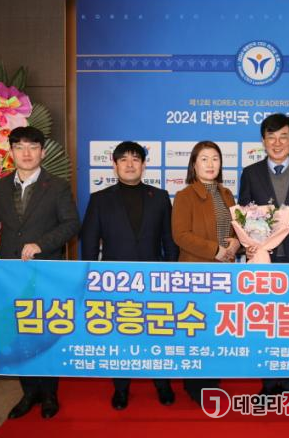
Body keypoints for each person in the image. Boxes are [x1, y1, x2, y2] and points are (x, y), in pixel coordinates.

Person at [0, 126, 80, 420]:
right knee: (18, 333)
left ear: (42, 152)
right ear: (11, 153)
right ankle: (29, 393)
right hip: (9, 274)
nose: (27, 153)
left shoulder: (56, 186)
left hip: (44, 271)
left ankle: (50, 395)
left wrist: (40, 244)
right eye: (19, 147)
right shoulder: (1, 187)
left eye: (32, 147)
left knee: (44, 332)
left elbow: (71, 224)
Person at [81, 141, 179, 410]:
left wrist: (170, 275)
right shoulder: (100, 199)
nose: (130, 164)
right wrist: (91, 280)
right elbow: (89, 243)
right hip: (114, 283)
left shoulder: (160, 197)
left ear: (144, 165)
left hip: (154, 282)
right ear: (114, 165)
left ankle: (163, 384)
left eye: (136, 159)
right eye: (123, 159)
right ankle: (121, 388)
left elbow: (169, 241)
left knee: (157, 334)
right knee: (120, 337)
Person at [238, 113, 289, 395]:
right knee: (265, 321)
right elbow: (243, 213)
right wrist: (248, 243)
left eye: (283, 137)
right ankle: (269, 383)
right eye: (271, 137)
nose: (277, 143)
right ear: (263, 141)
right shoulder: (251, 173)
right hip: (264, 259)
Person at [172, 141, 240, 403]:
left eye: (215, 159)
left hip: (225, 273)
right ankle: (196, 384)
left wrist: (235, 243)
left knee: (216, 329)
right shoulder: (185, 196)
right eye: (204, 159)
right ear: (194, 164)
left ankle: (213, 378)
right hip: (196, 273)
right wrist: (215, 250)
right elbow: (180, 235)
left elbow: (237, 228)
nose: (211, 164)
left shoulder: (227, 194)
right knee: (197, 329)